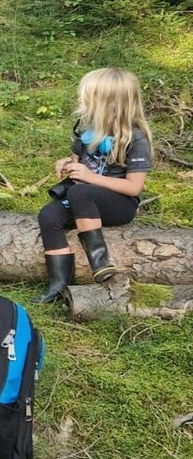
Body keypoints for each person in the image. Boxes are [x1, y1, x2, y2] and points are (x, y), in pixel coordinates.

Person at [35, 68, 153, 302]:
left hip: (120, 203)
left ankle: (100, 261)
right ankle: (59, 284)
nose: (81, 102)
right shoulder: (86, 132)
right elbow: (76, 160)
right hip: (84, 198)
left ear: (107, 103)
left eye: (87, 98)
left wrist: (89, 177)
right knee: (49, 215)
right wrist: (67, 163)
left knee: (80, 192)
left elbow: (133, 188)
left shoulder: (135, 139)